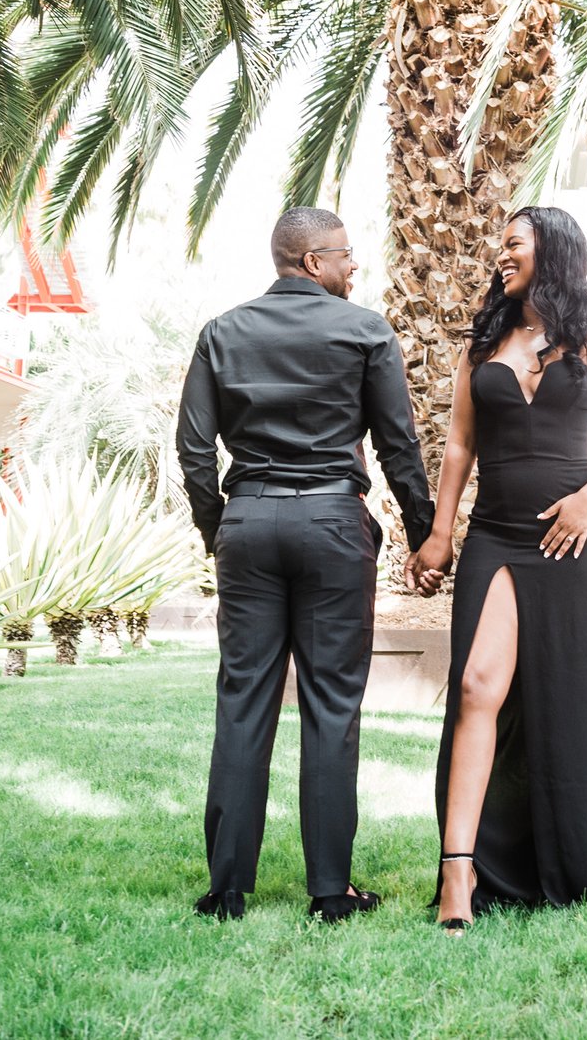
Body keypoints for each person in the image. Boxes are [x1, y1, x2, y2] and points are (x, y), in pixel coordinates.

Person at [177, 206, 436, 923]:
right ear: (311, 260)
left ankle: (226, 887)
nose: (356, 266)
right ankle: (330, 890)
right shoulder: (363, 331)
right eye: (347, 254)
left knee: (243, 699)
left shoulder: (222, 333)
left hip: (249, 520)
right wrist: (424, 533)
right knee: (330, 705)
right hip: (331, 524)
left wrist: (218, 526)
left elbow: (196, 451)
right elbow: (397, 446)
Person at [412, 205, 587, 931]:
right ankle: (460, 873)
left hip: (581, 540)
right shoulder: (482, 342)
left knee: (570, 702)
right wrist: (440, 531)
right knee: (478, 684)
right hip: (498, 534)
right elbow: (458, 445)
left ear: (552, 250)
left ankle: (569, 862)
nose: (500, 254)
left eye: (513, 242)